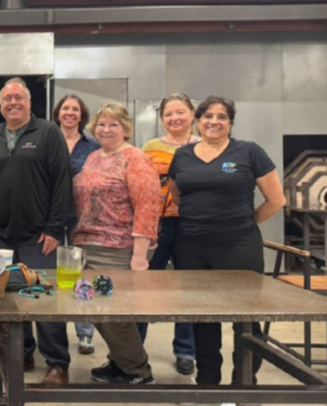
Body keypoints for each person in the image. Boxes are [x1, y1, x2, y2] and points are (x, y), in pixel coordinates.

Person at [169, 96, 285, 386]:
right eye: (208, 116)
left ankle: (244, 386)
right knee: (203, 318)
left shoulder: (249, 152)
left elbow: (276, 200)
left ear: (231, 122)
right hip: (192, 247)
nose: (214, 122)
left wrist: (243, 223)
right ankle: (208, 383)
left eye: (222, 117)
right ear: (198, 120)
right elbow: (177, 195)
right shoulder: (182, 156)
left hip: (239, 246)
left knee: (245, 320)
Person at [0, 77, 73, 385]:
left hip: (39, 237)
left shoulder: (47, 133)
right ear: (1, 104)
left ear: (29, 103)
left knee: (42, 299)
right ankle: (25, 352)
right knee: (11, 300)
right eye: (7, 99)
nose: (13, 103)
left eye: (19, 98)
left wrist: (54, 228)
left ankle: (57, 363)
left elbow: (62, 182)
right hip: (1, 236)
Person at [72, 101, 160, 385]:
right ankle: (120, 362)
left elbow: (147, 207)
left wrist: (139, 256)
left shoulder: (134, 158)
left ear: (125, 129)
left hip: (118, 249)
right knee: (94, 310)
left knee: (113, 314)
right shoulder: (94, 157)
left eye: (113, 124)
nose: (106, 129)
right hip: (87, 246)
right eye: (101, 124)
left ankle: (137, 372)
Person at [139, 93, 201, 375]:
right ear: (162, 118)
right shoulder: (150, 147)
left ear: (192, 114)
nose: (175, 118)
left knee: (187, 289)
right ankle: (135, 350)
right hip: (157, 224)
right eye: (168, 114)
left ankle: (186, 350)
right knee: (143, 288)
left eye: (180, 112)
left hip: (192, 225)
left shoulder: (205, 146)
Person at [53, 94, 101, 356]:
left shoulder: (92, 146)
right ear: (58, 113)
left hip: (83, 217)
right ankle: (54, 329)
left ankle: (85, 333)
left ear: (81, 115)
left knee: (82, 273)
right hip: (52, 216)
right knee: (53, 273)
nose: (70, 113)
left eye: (75, 109)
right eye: (65, 108)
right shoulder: (48, 139)